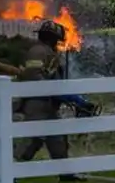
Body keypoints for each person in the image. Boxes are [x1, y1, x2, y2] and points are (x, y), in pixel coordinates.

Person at [16, 19, 86, 181]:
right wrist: (55, 91)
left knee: (58, 140)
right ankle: (8, 171)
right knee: (33, 140)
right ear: (51, 38)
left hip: (49, 105)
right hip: (37, 104)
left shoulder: (48, 53)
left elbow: (55, 79)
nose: (58, 44)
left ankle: (66, 174)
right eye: (57, 40)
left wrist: (71, 97)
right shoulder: (38, 51)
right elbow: (34, 77)